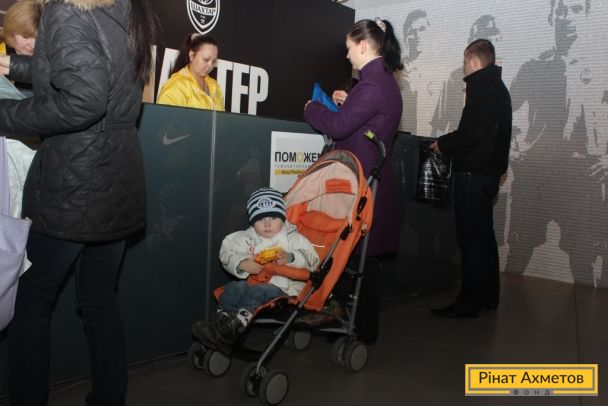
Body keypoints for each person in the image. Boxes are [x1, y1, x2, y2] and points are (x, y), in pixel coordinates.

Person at [0, 0, 158, 404]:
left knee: (31, 301)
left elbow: (85, 99)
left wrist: (6, 114)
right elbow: (91, 70)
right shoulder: (127, 8)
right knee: (100, 300)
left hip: (74, 183)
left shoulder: (66, 7)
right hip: (117, 177)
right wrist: (15, 66)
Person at [303, 18, 403, 344]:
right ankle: (355, 326)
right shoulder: (382, 82)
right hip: (368, 181)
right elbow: (363, 120)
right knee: (360, 258)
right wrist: (349, 102)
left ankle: (358, 329)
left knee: (359, 259)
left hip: (360, 183)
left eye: (349, 48)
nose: (347, 56)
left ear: (363, 45)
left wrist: (312, 109)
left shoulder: (371, 85)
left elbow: (339, 126)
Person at [430, 39, 512, 318]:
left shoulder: (483, 89)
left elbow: (474, 132)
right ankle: (488, 295)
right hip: (486, 174)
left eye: (465, 62)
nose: (464, 68)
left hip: (473, 173)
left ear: (474, 62)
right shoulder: (497, 88)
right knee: (484, 236)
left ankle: (469, 301)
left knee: (471, 240)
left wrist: (444, 143)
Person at [191, 187, 319, 355]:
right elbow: (227, 252)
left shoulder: (294, 238)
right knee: (233, 288)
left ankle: (236, 326)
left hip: (285, 289)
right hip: (254, 282)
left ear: (282, 218)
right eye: (260, 219)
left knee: (258, 291)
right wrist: (242, 263)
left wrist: (291, 257)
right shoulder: (247, 238)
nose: (267, 224)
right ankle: (220, 324)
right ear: (252, 221)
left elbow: (313, 260)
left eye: (273, 218)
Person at [156, 33, 225, 111]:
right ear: (191, 55)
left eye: (214, 61)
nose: (210, 65)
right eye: (206, 59)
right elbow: (164, 117)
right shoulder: (176, 86)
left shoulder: (215, 86)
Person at [0, 0, 41, 92]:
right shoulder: (1, 49)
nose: (33, 45)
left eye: (39, 37)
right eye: (25, 37)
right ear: (11, 33)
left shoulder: (50, 58)